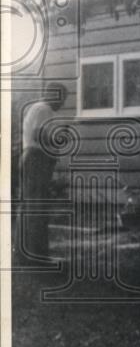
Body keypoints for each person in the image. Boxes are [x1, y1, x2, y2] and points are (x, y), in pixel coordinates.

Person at [20, 83, 66, 259]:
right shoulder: (43, 109)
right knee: (37, 206)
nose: (62, 103)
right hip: (37, 159)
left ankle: (29, 252)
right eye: (62, 98)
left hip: (35, 159)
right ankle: (36, 254)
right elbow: (38, 135)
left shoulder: (39, 109)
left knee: (33, 205)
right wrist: (59, 138)